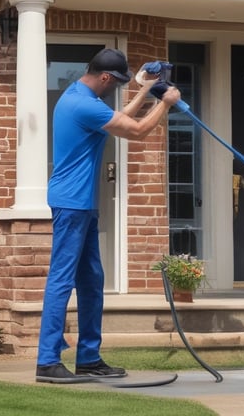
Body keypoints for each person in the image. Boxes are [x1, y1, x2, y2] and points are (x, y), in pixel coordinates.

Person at [35, 48, 181, 384]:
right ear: (104, 77)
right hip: (71, 203)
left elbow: (122, 117)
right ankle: (47, 362)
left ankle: (88, 358)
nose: (116, 87)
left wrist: (145, 88)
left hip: (82, 203)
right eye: (116, 82)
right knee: (61, 281)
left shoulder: (80, 96)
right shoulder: (82, 104)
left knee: (92, 280)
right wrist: (166, 102)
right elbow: (137, 130)